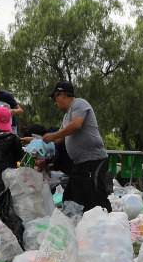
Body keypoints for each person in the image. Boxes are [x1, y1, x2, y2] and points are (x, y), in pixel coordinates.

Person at [38, 81, 109, 211]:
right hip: (79, 163)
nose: (55, 103)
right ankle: (79, 222)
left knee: (96, 198)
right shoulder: (66, 116)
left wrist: (53, 136)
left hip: (93, 160)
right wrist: (36, 142)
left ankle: (106, 221)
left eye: (55, 98)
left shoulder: (79, 104)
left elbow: (76, 125)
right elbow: (60, 138)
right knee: (72, 199)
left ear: (62, 95)